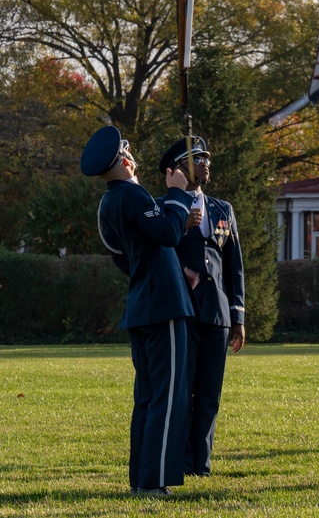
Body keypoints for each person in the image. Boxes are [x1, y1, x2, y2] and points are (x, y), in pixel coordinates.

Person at [80, 125, 194, 496]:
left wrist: (170, 209)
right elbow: (167, 234)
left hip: (142, 305)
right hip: (163, 305)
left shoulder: (109, 202)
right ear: (125, 160)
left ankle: (142, 478)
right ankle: (155, 481)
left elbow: (125, 255)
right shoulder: (132, 194)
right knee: (167, 395)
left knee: (147, 397)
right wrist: (177, 195)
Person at [157, 136, 245, 478]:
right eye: (198, 158)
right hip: (182, 310)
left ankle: (201, 465)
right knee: (182, 391)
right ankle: (181, 461)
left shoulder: (223, 209)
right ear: (178, 169)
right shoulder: (164, 206)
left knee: (209, 393)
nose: (207, 163)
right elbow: (158, 254)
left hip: (218, 314)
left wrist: (237, 317)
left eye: (207, 157)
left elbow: (234, 266)